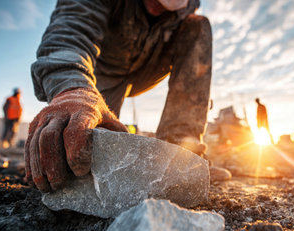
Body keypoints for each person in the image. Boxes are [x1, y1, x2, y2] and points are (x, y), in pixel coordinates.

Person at [26, 0, 229, 192]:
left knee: (198, 26)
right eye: (154, 1)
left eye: (165, 5)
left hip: (148, 67)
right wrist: (72, 89)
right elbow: (69, 32)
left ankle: (184, 154)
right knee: (80, 146)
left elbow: (191, 51)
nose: (156, 9)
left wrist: (195, 98)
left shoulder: (187, 5)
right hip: (103, 71)